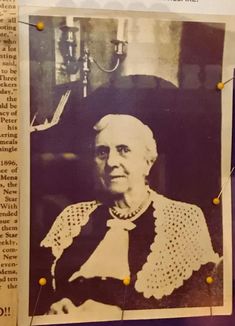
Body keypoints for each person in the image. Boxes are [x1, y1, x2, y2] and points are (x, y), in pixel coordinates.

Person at [40, 114, 222, 315]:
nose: (111, 162)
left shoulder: (183, 219)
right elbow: (39, 291)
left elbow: (197, 305)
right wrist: (52, 309)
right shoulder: (72, 218)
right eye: (102, 152)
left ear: (148, 162)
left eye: (123, 150)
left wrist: (119, 315)